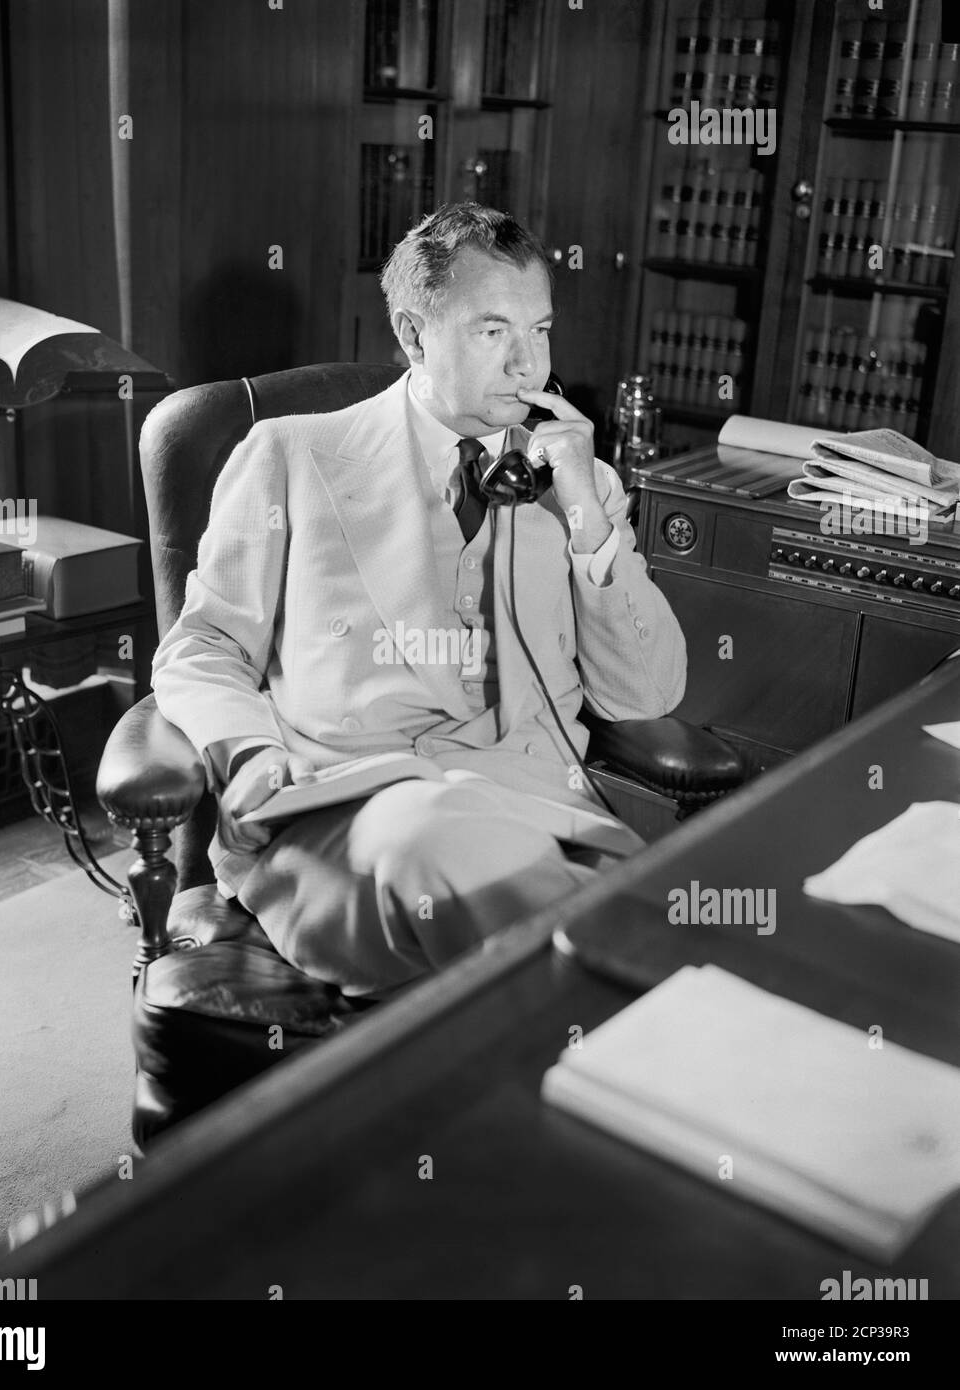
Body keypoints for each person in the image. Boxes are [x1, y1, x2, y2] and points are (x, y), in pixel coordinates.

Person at [151, 202, 686, 998]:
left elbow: (646, 692)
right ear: (412, 335)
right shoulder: (290, 457)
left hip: (536, 812)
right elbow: (203, 648)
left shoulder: (581, 481)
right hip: (349, 818)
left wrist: (582, 509)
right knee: (459, 856)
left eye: (540, 330)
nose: (528, 367)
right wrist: (253, 758)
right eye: (492, 330)